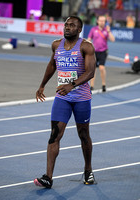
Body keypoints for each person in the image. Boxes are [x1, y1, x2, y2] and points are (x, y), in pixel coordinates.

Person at [34, 16, 96, 188]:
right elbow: (52, 65)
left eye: (72, 25)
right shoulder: (56, 45)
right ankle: (48, 177)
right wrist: (42, 85)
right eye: (66, 24)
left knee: (83, 135)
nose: (68, 27)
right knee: (54, 135)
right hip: (62, 98)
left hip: (81, 98)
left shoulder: (86, 46)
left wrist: (72, 85)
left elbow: (90, 72)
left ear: (79, 29)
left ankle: (88, 170)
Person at [88, 15, 115, 92]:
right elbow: (89, 39)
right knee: (93, 69)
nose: (102, 22)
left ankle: (103, 84)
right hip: (94, 51)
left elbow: (113, 39)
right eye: (100, 20)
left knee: (101, 68)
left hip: (103, 51)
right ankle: (92, 86)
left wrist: (109, 31)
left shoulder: (107, 30)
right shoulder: (93, 29)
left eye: (103, 21)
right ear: (97, 21)